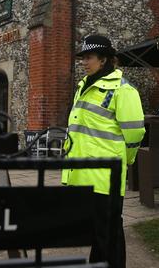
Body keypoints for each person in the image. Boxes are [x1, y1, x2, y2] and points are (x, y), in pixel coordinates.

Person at [62, 34, 145, 268]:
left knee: (109, 235)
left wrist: (124, 161)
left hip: (106, 176)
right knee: (97, 234)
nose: (84, 62)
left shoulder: (123, 90)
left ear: (105, 59)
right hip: (81, 174)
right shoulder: (84, 87)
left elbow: (135, 134)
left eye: (89, 57)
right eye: (83, 57)